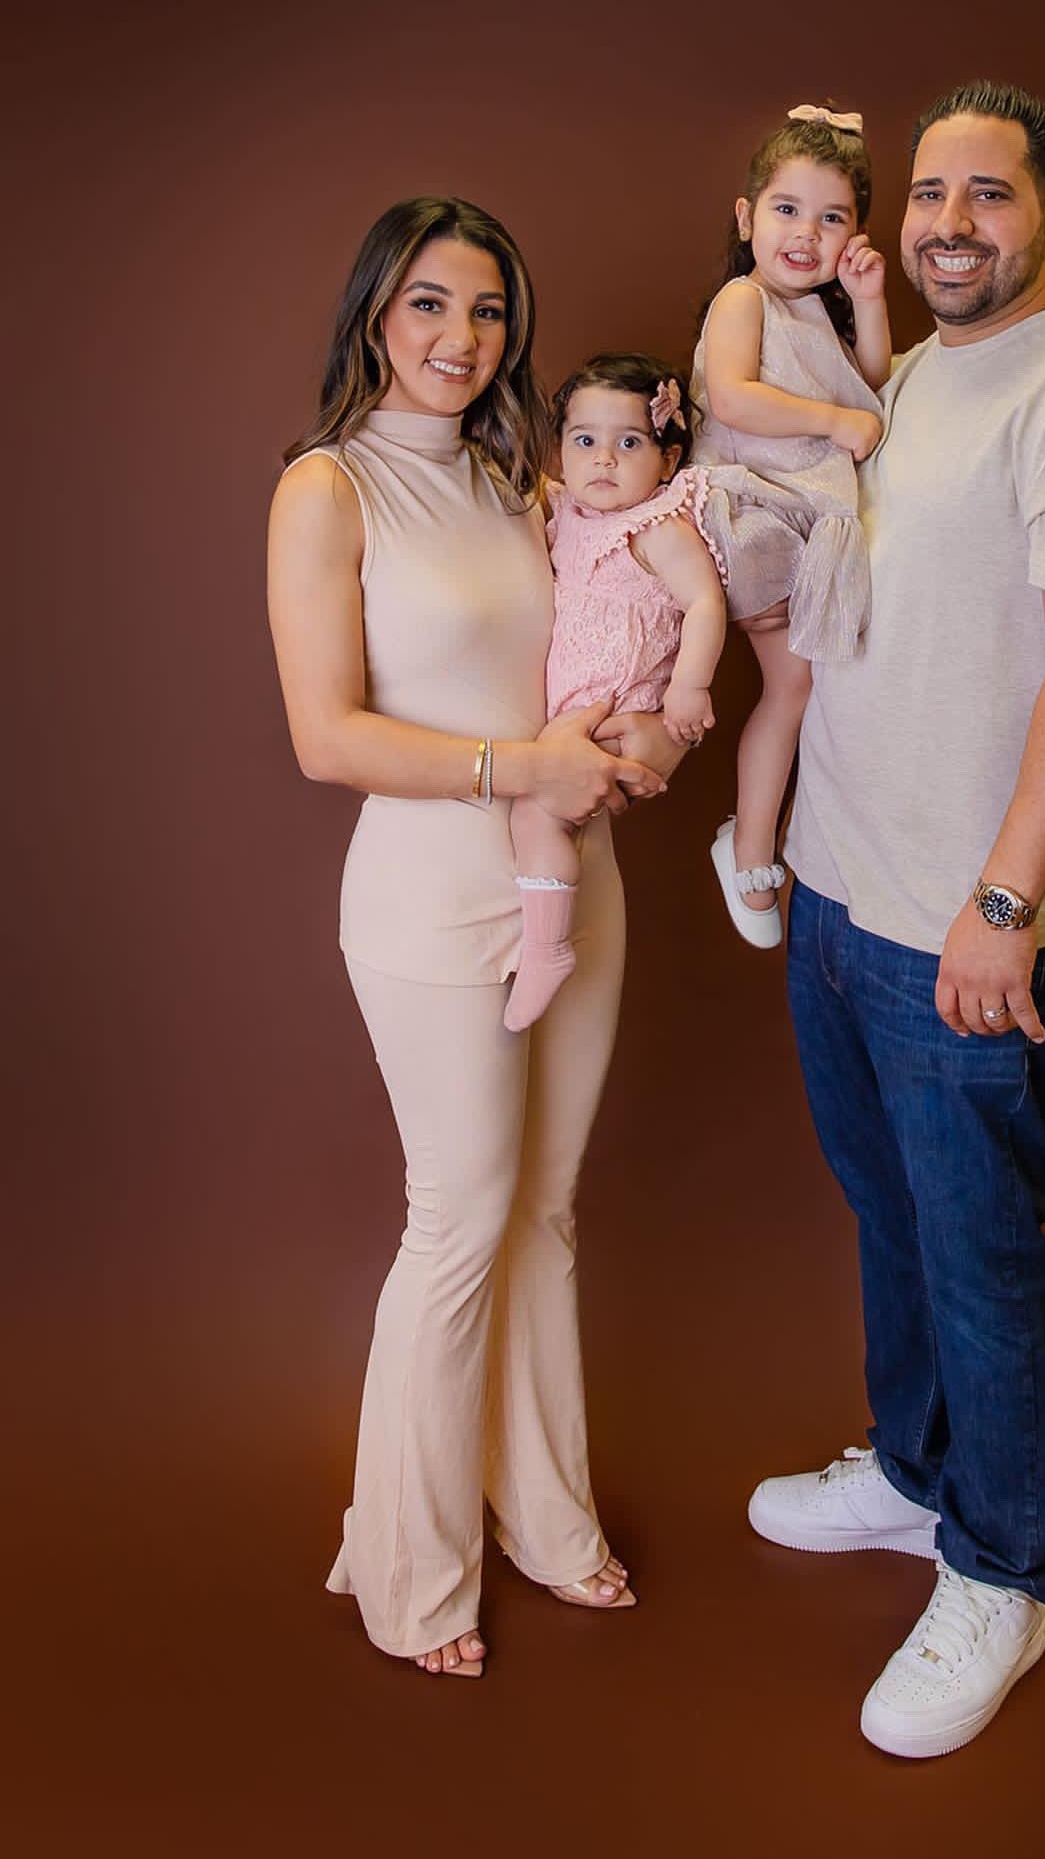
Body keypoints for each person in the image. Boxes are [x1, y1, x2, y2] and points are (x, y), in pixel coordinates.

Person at [747, 82, 1045, 1758]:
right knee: (891, 1212)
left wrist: (1002, 906)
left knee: (983, 1258)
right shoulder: (906, 381)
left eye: (988, 195)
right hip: (852, 896)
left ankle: (1000, 1569)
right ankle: (923, 1478)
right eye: (928, 191)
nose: (948, 221)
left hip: (981, 930)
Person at [266, 196, 676, 1681]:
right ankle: (414, 1576)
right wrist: (525, 768)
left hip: (578, 874)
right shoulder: (327, 489)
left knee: (547, 1213)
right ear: (377, 310)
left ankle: (547, 1520)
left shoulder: (526, 477)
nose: (462, 336)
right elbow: (328, 738)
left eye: (490, 310)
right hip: (431, 895)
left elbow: (590, 644)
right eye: (431, 303)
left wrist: (637, 732)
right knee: (458, 1220)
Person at [689, 105, 890, 948]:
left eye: (831, 216)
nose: (806, 234)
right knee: (795, 688)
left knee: (803, 689)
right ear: (746, 218)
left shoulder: (817, 311)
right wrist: (835, 427)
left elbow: (872, 382)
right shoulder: (744, 298)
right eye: (786, 209)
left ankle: (755, 844)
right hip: (753, 519)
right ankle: (750, 852)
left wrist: (868, 300)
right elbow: (733, 395)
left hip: (803, 527)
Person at [504, 355, 727, 1030]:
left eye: (629, 443)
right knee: (544, 819)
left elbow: (706, 601)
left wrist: (689, 688)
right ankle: (545, 929)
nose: (603, 460)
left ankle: (546, 947)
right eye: (584, 441)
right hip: (571, 709)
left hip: (616, 708)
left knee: (535, 816)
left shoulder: (657, 526)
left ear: (667, 461)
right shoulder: (567, 507)